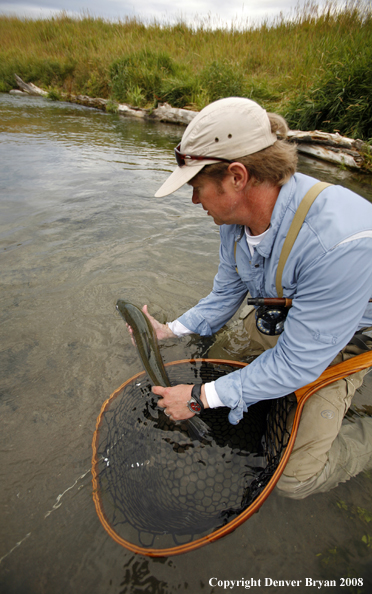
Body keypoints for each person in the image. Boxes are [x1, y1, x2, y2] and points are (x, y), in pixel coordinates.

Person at [142, 97, 372, 498]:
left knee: (293, 480)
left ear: (237, 176)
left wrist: (199, 398)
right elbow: (225, 293)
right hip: (286, 314)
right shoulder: (234, 219)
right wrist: (170, 331)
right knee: (220, 358)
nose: (195, 201)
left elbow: (298, 362)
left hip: (348, 335)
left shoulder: (340, 243)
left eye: (197, 187)